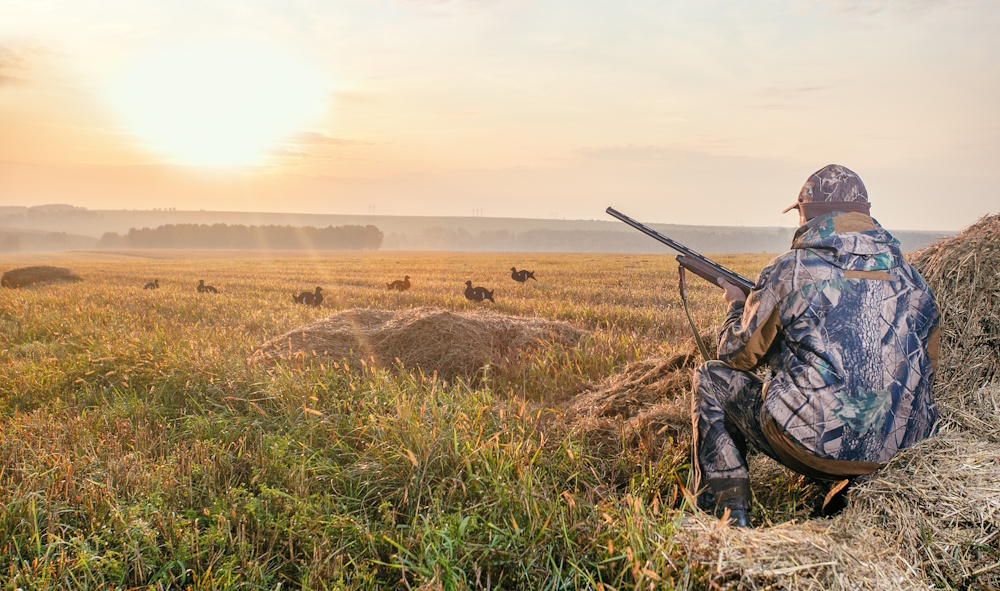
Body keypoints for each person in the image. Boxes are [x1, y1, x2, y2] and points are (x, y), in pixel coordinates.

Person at [691, 164, 940, 527]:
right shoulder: (912, 278)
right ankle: (853, 493)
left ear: (807, 215)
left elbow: (735, 354)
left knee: (710, 379)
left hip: (816, 446)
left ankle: (726, 520)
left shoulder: (791, 269)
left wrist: (736, 306)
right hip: (900, 451)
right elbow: (928, 370)